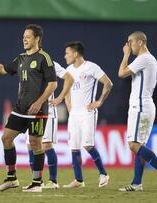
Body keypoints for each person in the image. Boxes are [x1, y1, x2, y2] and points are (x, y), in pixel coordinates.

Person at [0, 24, 58, 192]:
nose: (24, 39)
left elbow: (53, 84)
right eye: (23, 36)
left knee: (35, 144)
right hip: (20, 109)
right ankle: (11, 178)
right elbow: (2, 69)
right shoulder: (21, 58)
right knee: (6, 138)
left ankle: (37, 183)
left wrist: (39, 102)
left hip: (37, 111)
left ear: (37, 39)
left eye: (28, 37)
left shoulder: (44, 58)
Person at [118, 31, 157, 192]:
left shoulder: (144, 59)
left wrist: (125, 55)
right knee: (139, 146)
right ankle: (136, 183)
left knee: (133, 145)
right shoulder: (150, 59)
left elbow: (121, 73)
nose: (129, 46)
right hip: (145, 105)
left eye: (131, 42)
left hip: (140, 107)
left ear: (140, 42)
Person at [63, 41, 113, 188]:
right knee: (74, 147)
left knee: (88, 145)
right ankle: (78, 180)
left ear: (75, 54)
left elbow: (108, 83)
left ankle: (103, 173)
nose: (65, 56)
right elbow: (66, 89)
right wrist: (68, 105)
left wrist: (99, 102)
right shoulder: (68, 70)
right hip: (74, 114)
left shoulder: (91, 67)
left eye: (67, 53)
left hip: (87, 113)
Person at [23, 61, 74, 189]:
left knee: (46, 145)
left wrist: (60, 98)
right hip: (29, 112)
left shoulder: (50, 63)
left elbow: (69, 78)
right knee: (31, 145)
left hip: (47, 111)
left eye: (28, 39)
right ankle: (37, 181)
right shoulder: (24, 63)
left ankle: (53, 181)